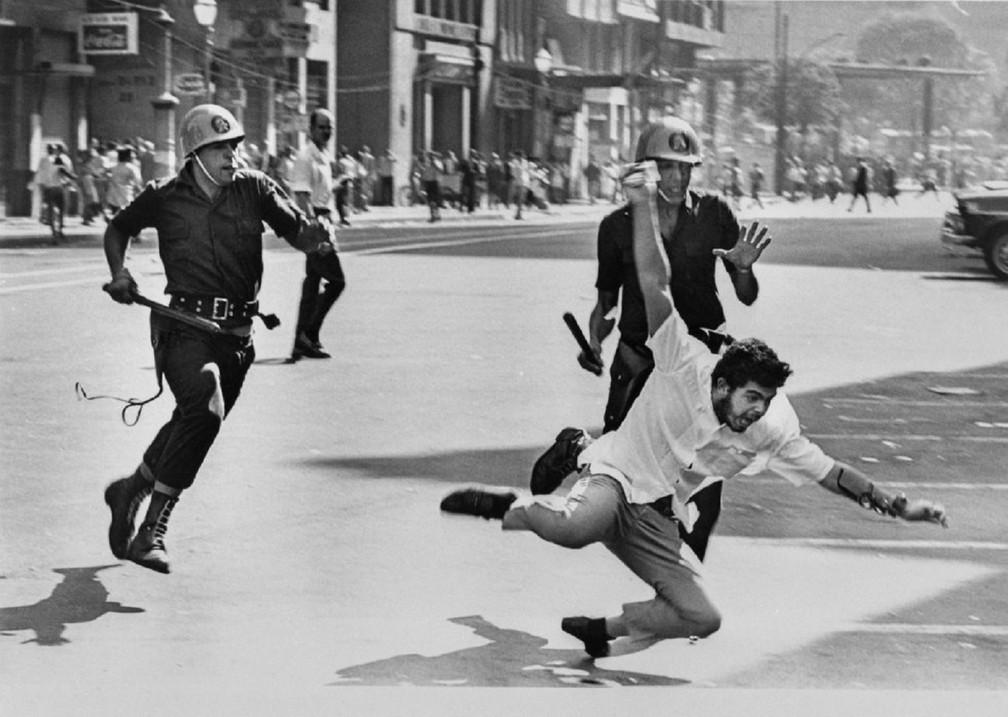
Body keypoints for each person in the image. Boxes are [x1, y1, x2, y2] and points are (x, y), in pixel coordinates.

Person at [440, 164, 949, 659]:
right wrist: (641, 203)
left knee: (702, 617)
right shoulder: (685, 362)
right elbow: (653, 282)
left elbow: (831, 473)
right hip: (619, 476)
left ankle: (604, 629)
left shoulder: (770, 427)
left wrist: (897, 505)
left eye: (767, 402)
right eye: (751, 399)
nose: (757, 413)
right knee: (577, 528)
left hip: (661, 510)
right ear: (722, 384)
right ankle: (508, 503)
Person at [100, 104, 326, 574]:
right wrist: (120, 274)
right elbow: (117, 228)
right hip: (182, 328)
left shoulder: (256, 188)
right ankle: (152, 532)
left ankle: (131, 489)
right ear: (195, 154)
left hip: (237, 339)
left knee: (194, 420)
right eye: (220, 148)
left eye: (235, 146)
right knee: (205, 406)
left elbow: (297, 235)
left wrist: (315, 238)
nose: (232, 156)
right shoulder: (163, 195)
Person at [528, 116, 762, 560]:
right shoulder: (618, 226)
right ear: (645, 168)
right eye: (665, 167)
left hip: (702, 363)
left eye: (685, 167)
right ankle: (575, 447)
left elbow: (746, 296)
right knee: (618, 471)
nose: (676, 178)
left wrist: (744, 269)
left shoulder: (715, 214)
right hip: (641, 357)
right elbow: (607, 302)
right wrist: (595, 340)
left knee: (704, 482)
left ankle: (684, 580)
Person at [289, 108, 346, 361]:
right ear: (311, 130)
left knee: (312, 284)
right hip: (315, 224)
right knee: (337, 281)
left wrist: (338, 183)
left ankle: (302, 340)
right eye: (322, 127)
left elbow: (320, 190)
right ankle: (308, 333)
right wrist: (316, 232)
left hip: (324, 219)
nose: (326, 131)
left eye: (329, 127)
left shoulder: (324, 155)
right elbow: (302, 197)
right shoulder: (305, 157)